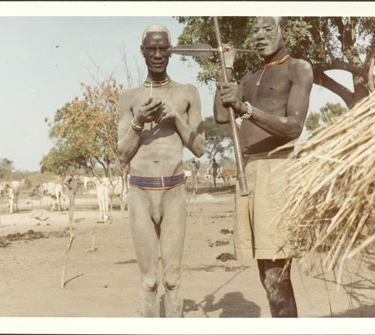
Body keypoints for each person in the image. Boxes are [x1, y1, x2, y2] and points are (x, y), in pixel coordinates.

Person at [214, 16, 313, 317]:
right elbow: (221, 115)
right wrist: (226, 68)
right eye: (255, 30)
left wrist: (245, 109)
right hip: (249, 174)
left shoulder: (298, 68)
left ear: (284, 32)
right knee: (266, 276)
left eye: (267, 29)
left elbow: (294, 127)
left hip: (278, 172)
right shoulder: (248, 75)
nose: (259, 35)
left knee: (276, 277)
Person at [117, 23, 205, 317]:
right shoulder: (129, 98)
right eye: (151, 48)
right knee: (149, 280)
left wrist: (176, 117)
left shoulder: (187, 92)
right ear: (142, 52)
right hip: (140, 191)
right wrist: (138, 120)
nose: (157, 54)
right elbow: (122, 153)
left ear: (171, 51)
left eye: (162, 48)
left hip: (173, 191)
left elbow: (200, 147)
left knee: (172, 279)